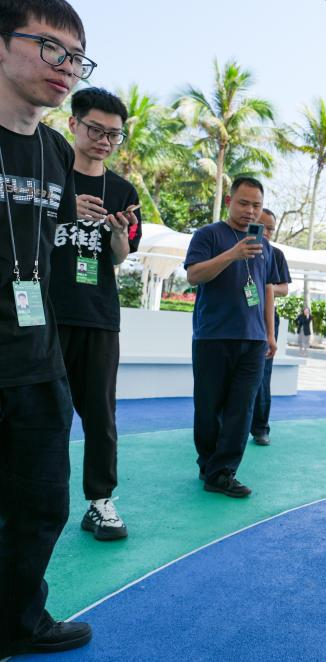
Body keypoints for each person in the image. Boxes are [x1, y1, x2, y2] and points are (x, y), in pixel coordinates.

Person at [0, 0, 95, 655]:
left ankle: (18, 621)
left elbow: (46, 246)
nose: (66, 67)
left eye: (78, 57)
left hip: (37, 359)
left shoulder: (56, 151)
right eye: (50, 47)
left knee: (42, 504)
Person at [50, 87, 141, 542]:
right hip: (44, 312)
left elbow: (120, 257)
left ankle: (100, 501)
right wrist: (65, 213)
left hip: (99, 315)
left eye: (114, 135)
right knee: (41, 413)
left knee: (101, 415)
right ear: (74, 124)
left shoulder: (123, 190)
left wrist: (118, 233)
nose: (105, 141)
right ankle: (34, 498)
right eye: (96, 130)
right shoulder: (48, 174)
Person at [184, 177, 279, 498]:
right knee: (208, 407)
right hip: (213, 335)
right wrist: (232, 255)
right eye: (244, 203)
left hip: (253, 340)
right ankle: (208, 463)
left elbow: (267, 289)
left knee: (242, 408)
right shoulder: (208, 235)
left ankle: (223, 472)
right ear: (229, 201)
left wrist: (269, 333)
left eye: (257, 205)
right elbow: (194, 275)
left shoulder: (266, 246)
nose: (250, 211)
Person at [249, 208, 290, 446]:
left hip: (266, 320)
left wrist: (265, 287)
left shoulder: (275, 254)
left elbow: (284, 288)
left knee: (263, 376)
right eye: (262, 226)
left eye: (271, 229)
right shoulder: (239, 248)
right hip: (240, 319)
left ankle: (260, 428)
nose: (266, 232)